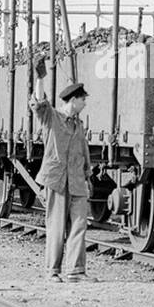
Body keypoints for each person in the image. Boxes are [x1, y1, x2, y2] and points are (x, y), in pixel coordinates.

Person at [30, 60, 95, 281]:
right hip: (57, 180)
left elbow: (83, 153)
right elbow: (40, 104)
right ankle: (53, 271)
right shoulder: (52, 118)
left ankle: (76, 271)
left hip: (76, 182)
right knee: (56, 228)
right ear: (74, 100)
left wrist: (88, 177)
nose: (85, 103)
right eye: (83, 99)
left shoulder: (79, 125)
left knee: (79, 226)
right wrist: (40, 79)